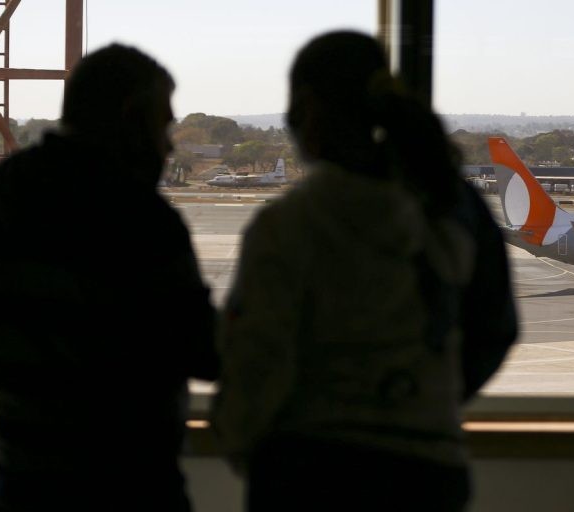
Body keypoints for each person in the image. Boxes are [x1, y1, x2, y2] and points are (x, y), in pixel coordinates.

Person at [211, 31, 518, 511]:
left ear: (307, 110)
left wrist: (244, 444)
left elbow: (257, 361)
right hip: (428, 472)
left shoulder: (288, 225)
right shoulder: (454, 208)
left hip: (309, 473)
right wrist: (418, 405)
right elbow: (494, 329)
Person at [0, 44, 218, 511]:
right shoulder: (141, 219)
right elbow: (204, 354)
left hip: (22, 481)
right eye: (163, 125)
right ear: (131, 116)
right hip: (133, 484)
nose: (168, 144)